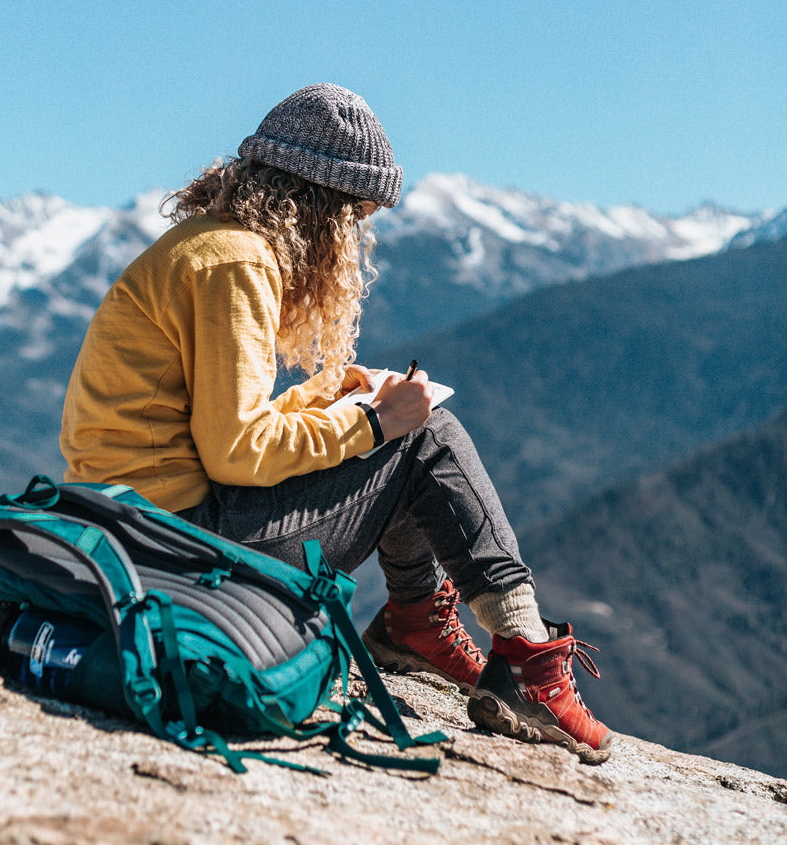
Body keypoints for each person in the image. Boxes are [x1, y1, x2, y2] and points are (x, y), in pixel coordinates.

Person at [59, 83, 612, 764]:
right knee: (427, 436)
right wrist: (374, 426)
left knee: (408, 430)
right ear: (319, 206)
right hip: (178, 542)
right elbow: (236, 453)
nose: (355, 237)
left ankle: (416, 623)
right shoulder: (238, 263)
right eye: (355, 216)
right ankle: (527, 659)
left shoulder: (206, 246)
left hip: (133, 524)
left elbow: (207, 427)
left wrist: (327, 400)